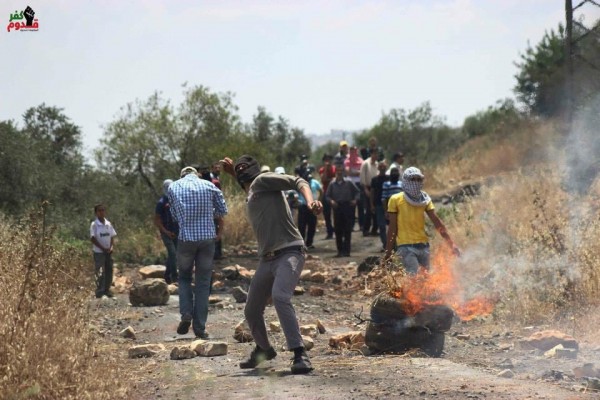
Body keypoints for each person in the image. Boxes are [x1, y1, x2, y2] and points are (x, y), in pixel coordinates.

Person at [220, 155, 322, 374]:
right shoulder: (253, 191)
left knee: (280, 296)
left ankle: (299, 353)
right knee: (252, 309)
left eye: (242, 171)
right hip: (267, 259)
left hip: (289, 251)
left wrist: (310, 201)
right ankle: (264, 349)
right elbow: (252, 194)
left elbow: (299, 181)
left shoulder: (263, 180)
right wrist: (233, 173)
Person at [168, 166, 228, 339]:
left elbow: (173, 215)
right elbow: (222, 211)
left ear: (181, 175)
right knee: (203, 282)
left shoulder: (173, 187)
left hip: (186, 239)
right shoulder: (209, 186)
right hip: (207, 239)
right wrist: (208, 214)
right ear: (197, 174)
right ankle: (200, 328)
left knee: (184, 277)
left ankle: (186, 313)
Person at [383, 167, 460, 274]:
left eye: (418, 179)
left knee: (426, 280)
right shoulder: (395, 200)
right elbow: (392, 228)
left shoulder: (424, 199)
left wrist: (451, 244)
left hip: (424, 246)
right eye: (412, 179)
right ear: (405, 181)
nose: (415, 183)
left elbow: (436, 222)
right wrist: (388, 252)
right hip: (405, 247)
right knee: (413, 277)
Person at [326, 167, 360, 257]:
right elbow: (327, 196)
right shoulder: (332, 184)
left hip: (347, 206)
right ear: (335, 173)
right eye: (338, 172)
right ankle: (340, 251)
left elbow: (357, 192)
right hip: (337, 207)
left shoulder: (349, 182)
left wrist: (355, 200)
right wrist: (331, 201)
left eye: (341, 172)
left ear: (343, 173)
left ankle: (347, 251)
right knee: (338, 230)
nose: (339, 173)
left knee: (347, 230)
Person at [154, 179, 179, 284]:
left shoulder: (176, 200)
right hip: (166, 232)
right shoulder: (161, 203)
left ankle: (166, 275)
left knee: (174, 255)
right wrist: (166, 231)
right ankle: (174, 277)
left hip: (177, 231)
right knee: (172, 253)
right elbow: (157, 220)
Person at [90, 204, 117, 298]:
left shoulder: (108, 223)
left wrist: (111, 247)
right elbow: (93, 238)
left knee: (109, 270)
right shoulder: (94, 224)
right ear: (96, 213)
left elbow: (112, 236)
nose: (102, 212)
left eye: (103, 210)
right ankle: (99, 291)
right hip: (99, 252)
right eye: (99, 211)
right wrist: (102, 248)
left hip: (108, 251)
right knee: (100, 271)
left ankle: (107, 290)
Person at [297, 174, 323, 249]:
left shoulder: (314, 182)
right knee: (301, 226)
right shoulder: (300, 183)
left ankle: (309, 243)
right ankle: (302, 244)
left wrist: (319, 200)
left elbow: (321, 190)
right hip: (303, 206)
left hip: (313, 207)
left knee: (312, 225)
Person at [359, 147, 379, 237]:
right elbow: (362, 178)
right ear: (370, 154)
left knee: (376, 209)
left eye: (377, 153)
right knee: (368, 210)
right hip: (367, 188)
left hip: (376, 188)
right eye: (374, 153)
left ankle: (374, 229)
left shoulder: (377, 164)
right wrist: (365, 189)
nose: (376, 155)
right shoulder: (365, 163)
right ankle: (365, 229)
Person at [344, 145, 364, 231]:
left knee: (361, 206)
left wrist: (354, 171)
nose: (353, 152)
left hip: (360, 184)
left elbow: (362, 172)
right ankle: (350, 226)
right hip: (350, 185)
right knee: (351, 206)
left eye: (354, 150)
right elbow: (348, 172)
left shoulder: (360, 160)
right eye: (351, 151)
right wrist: (357, 172)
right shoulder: (347, 160)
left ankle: (362, 225)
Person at [370, 162, 389, 250]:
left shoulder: (389, 178)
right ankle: (385, 245)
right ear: (378, 168)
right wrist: (371, 205)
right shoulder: (374, 180)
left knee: (391, 226)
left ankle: (391, 245)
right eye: (380, 166)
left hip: (390, 205)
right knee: (381, 226)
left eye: (383, 167)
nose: (382, 168)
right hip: (378, 205)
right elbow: (372, 193)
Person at [318, 153, 336, 239]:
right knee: (327, 214)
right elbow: (323, 179)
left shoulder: (335, 169)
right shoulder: (322, 169)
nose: (328, 161)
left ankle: (337, 231)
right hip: (326, 193)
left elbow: (335, 179)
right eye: (326, 160)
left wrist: (330, 179)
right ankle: (330, 232)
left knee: (336, 214)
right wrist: (325, 169)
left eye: (329, 159)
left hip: (335, 193)